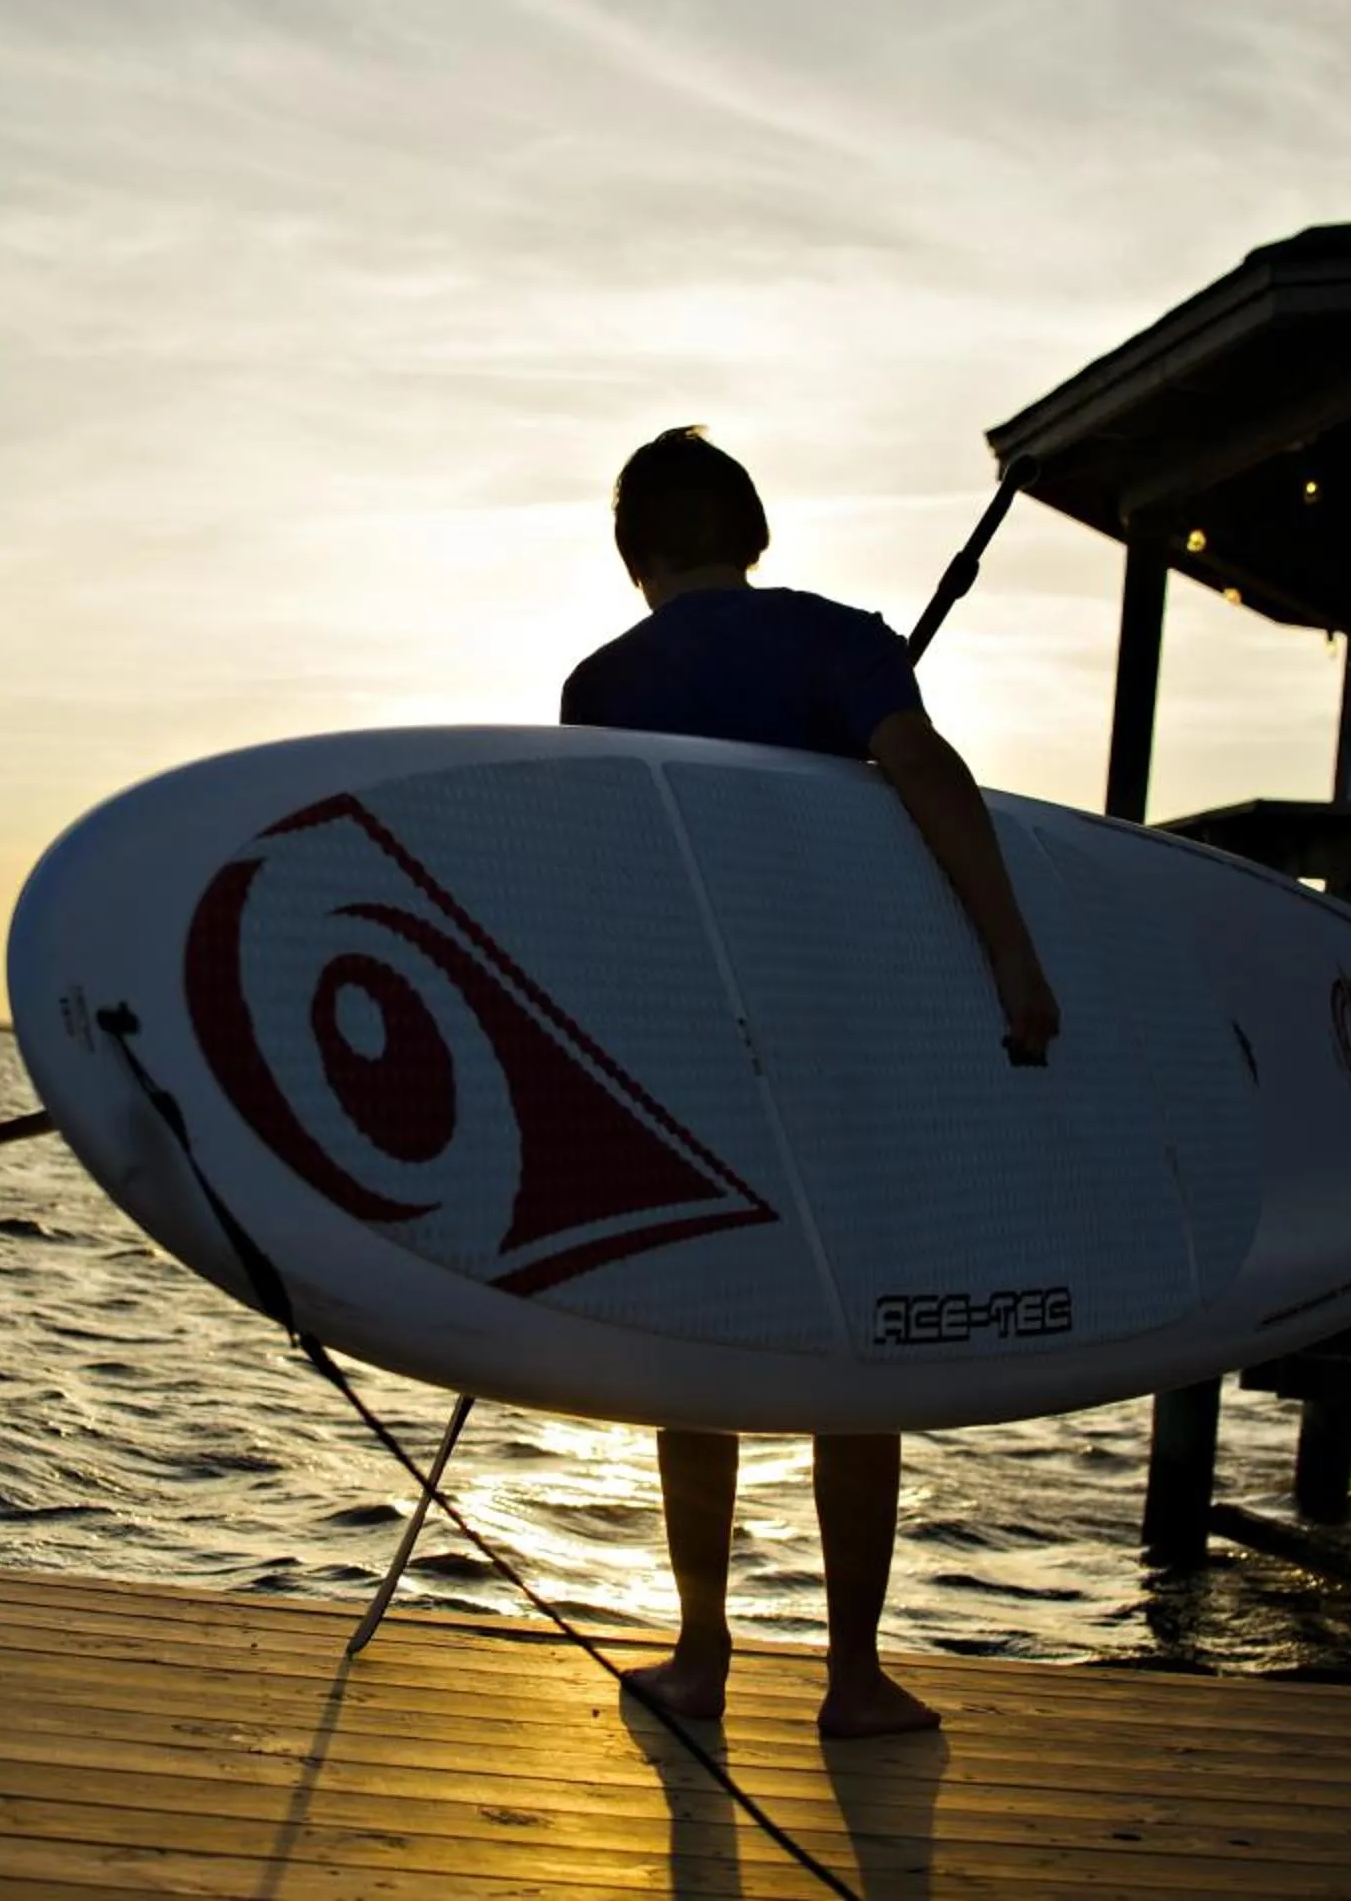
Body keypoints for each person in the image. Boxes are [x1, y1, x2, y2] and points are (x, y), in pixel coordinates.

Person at [561, 427, 1062, 1739]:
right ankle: (852, 1676)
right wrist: (1013, 957)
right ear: (755, 534)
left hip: (683, 1052)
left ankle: (703, 1654)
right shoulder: (844, 641)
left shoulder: (599, 683)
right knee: (863, 1346)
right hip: (850, 1040)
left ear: (636, 555)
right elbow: (929, 776)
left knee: (696, 1354)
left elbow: (604, 883)